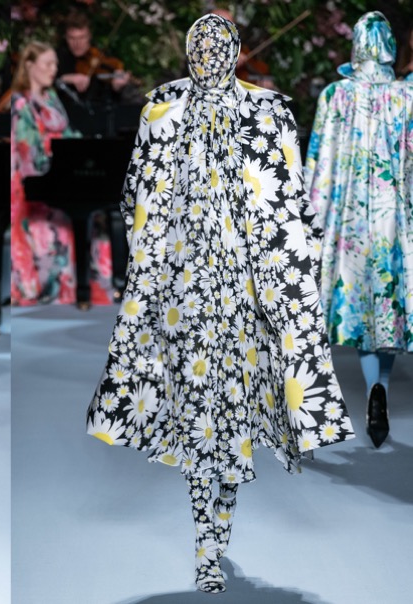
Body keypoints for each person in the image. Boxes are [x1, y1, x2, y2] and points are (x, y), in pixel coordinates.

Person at [87, 15, 353, 594]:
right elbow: (139, 194)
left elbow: (289, 201)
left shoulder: (266, 112)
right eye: (200, 49)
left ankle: (216, 538)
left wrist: (294, 273)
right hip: (189, 291)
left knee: (228, 415)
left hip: (243, 290)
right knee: (201, 412)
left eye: (216, 49)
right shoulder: (164, 109)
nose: (208, 58)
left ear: (232, 53)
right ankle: (208, 543)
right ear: (191, 53)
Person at [305, 12, 413, 448]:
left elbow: (320, 161)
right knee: (386, 306)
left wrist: (313, 218)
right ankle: (379, 387)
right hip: (393, 217)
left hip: (350, 220)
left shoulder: (336, 96)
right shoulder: (407, 97)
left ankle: (373, 389)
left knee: (360, 309)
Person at [8, 41, 112, 305]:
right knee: (54, 224)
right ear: (29, 66)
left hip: (60, 172)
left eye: (55, 63)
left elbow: (66, 134)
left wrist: (85, 149)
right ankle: (49, 288)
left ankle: (82, 286)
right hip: (35, 178)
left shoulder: (53, 97)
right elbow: (26, 149)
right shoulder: (20, 102)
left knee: (93, 216)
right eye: (47, 64)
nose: (54, 69)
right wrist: (57, 163)